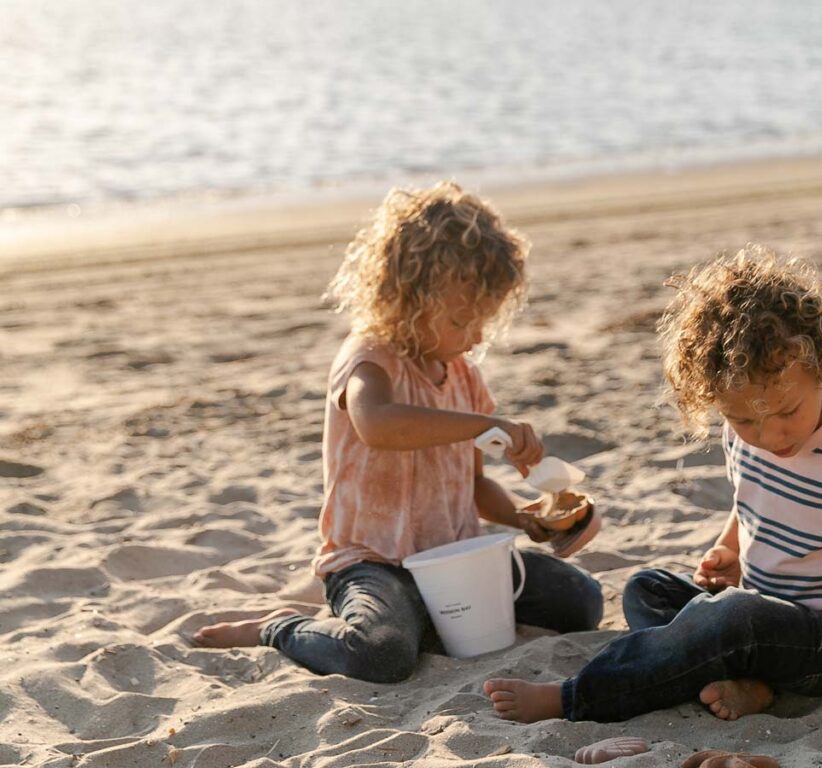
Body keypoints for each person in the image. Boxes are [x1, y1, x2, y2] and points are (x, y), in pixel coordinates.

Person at [484, 245, 822, 723]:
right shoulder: (744, 432)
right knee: (648, 591)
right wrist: (731, 550)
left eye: (788, 411)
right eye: (745, 420)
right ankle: (755, 683)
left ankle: (576, 696)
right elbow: (751, 498)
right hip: (769, 617)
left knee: (727, 621)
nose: (770, 436)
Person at [193, 181, 603, 682]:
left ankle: (427, 622)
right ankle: (281, 628)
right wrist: (487, 424)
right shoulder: (369, 358)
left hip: (454, 558)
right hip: (373, 562)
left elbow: (473, 485)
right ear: (406, 298)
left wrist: (526, 521)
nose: (475, 337)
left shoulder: (464, 377)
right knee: (380, 654)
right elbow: (377, 424)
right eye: (460, 320)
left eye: (485, 323)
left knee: (581, 602)